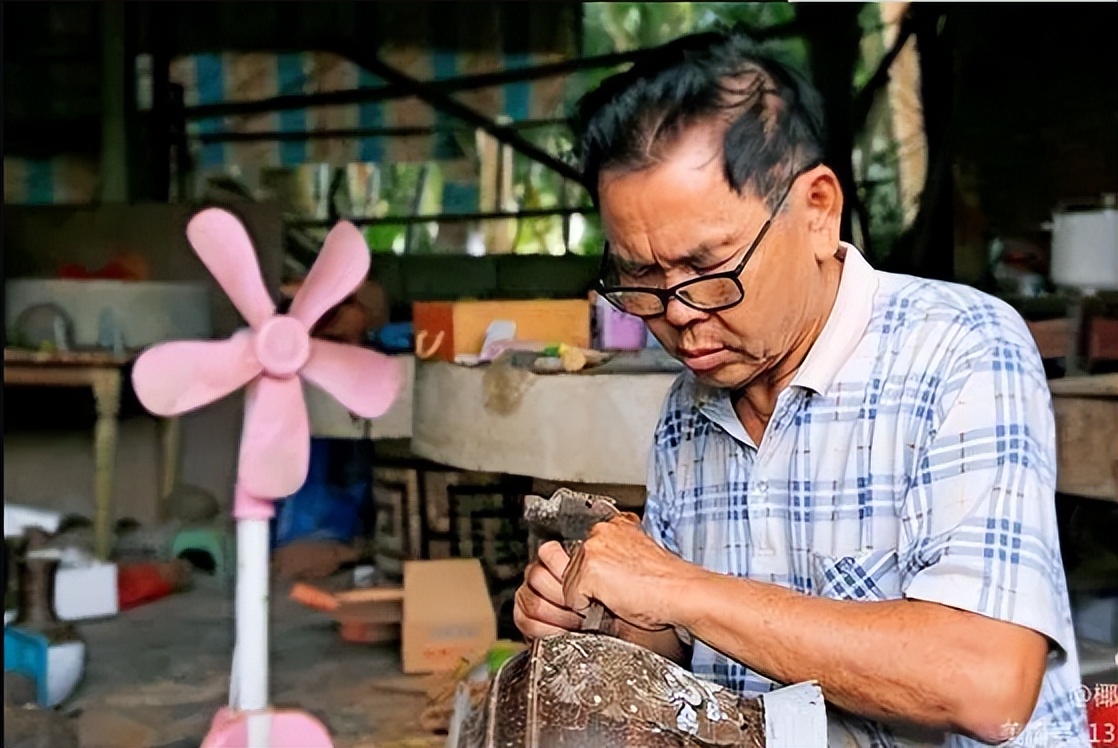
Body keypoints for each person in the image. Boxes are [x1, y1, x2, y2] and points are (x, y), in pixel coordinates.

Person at [513, 30, 1088, 747]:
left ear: (816, 210)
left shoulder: (960, 348)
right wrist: (615, 618)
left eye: (708, 265)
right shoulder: (686, 412)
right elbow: (700, 645)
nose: (681, 314)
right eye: (640, 278)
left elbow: (985, 684)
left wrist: (674, 586)